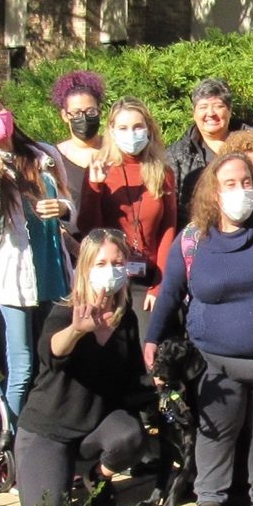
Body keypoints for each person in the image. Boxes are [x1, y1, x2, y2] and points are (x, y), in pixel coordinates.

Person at [144, 153, 253, 506]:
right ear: (214, 194)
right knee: (216, 430)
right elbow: (171, 292)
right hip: (215, 360)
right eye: (230, 184)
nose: (241, 190)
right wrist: (152, 338)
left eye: (247, 182)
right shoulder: (192, 239)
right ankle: (210, 496)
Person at [15, 228, 147, 506]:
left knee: (131, 435)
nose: (110, 271)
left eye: (117, 263)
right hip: (49, 430)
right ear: (85, 268)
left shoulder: (127, 318)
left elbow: (135, 379)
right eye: (101, 264)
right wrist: (76, 331)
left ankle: (97, 477)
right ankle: (53, 470)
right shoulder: (68, 311)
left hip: (95, 430)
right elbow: (50, 353)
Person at [0, 92, 72, 421]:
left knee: (53, 361)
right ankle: (15, 438)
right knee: (22, 366)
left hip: (54, 269)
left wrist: (63, 209)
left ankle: (51, 428)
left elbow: (70, 205)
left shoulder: (44, 154)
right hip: (14, 280)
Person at [77, 97, 176, 337]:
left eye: (137, 127)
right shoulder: (101, 169)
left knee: (148, 349)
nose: (131, 134)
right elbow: (89, 230)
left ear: (148, 129)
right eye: (123, 128)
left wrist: (160, 285)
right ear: (111, 130)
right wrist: (95, 187)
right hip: (107, 278)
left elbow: (168, 229)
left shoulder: (162, 172)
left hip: (146, 278)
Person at [168, 78, 249, 228]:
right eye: (203, 107)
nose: (210, 113)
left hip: (247, 229)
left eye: (218, 106)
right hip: (198, 235)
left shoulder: (251, 146)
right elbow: (170, 210)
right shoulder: (176, 155)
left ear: (230, 110)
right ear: (194, 113)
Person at [50, 70, 106, 219]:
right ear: (64, 115)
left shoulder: (116, 150)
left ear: (99, 112)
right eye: (76, 113)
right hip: (72, 240)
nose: (84, 118)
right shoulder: (53, 158)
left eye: (90, 111)